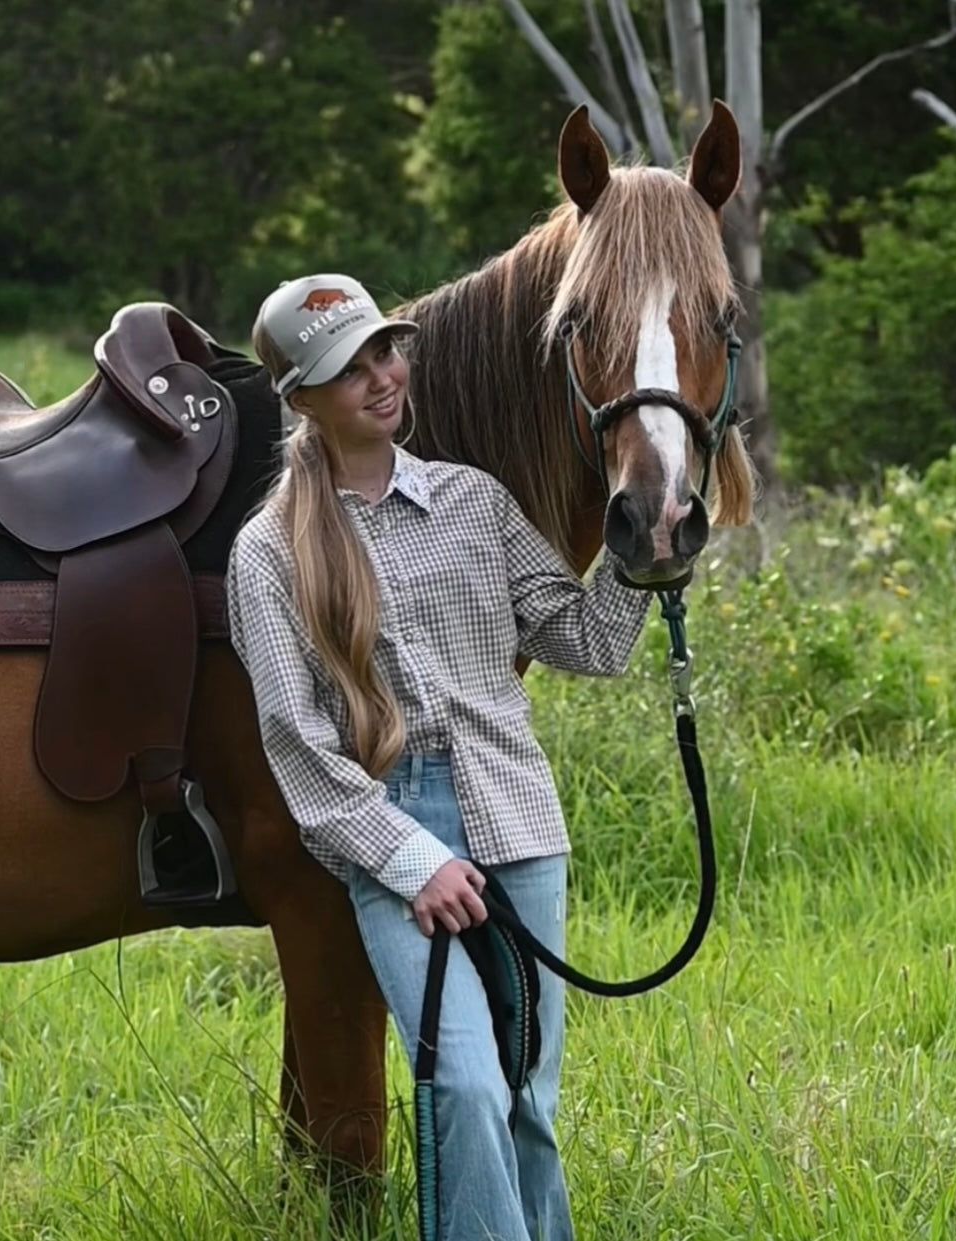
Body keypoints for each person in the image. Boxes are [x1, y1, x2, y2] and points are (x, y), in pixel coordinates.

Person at [225, 273, 653, 1240]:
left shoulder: (474, 501)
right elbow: (302, 756)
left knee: (525, 1096)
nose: (382, 377)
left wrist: (645, 552)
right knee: (459, 1080)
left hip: (519, 819)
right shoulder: (269, 554)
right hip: (392, 834)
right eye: (349, 367)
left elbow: (585, 642)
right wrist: (417, 863)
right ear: (300, 398)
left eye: (386, 349)